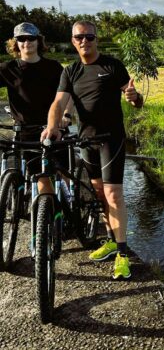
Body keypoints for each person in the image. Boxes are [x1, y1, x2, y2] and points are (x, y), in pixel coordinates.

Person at [41, 20, 143, 280]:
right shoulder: (70, 71)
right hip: (85, 140)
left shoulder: (112, 65)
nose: (84, 41)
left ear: (96, 39)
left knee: (113, 194)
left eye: (89, 36)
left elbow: (134, 98)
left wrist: (134, 98)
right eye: (79, 37)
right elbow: (58, 102)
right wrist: (53, 126)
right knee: (98, 192)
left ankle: (122, 254)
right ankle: (110, 240)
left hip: (111, 138)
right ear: (73, 41)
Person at [0, 22, 72, 194]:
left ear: (38, 41)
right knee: (41, 178)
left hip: (54, 128)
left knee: (65, 174)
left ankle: (70, 210)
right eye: (21, 39)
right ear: (15, 43)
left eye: (31, 38)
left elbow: (68, 94)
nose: (27, 42)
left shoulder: (53, 67)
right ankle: (46, 215)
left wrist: (66, 116)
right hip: (26, 133)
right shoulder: (7, 69)